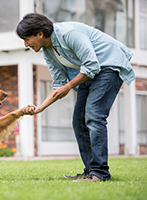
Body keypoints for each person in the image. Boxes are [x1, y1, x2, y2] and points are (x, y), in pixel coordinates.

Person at [16, 13, 135, 182]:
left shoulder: (68, 34)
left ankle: (100, 173)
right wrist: (39, 108)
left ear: (40, 34)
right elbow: (58, 83)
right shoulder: (48, 51)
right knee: (79, 120)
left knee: (94, 115)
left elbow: (92, 64)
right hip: (89, 73)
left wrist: (69, 86)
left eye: (27, 39)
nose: (26, 44)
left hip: (107, 67)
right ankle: (91, 171)